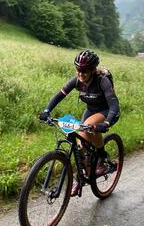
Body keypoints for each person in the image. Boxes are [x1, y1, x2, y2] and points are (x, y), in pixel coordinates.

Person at [39, 50, 120, 196]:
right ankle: (81, 178)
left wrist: (106, 123)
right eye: (78, 70)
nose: (80, 74)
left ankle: (103, 159)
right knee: (79, 145)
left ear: (93, 70)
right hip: (91, 110)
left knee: (87, 128)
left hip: (107, 111)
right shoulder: (76, 80)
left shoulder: (102, 81)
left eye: (84, 71)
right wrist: (47, 111)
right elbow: (59, 96)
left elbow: (114, 105)